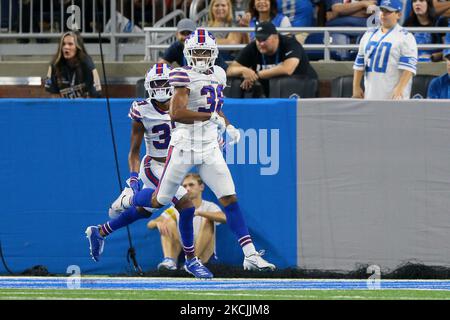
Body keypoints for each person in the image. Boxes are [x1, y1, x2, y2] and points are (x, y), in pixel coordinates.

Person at [89, 28, 276, 277]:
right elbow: (176, 114)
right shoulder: (181, 75)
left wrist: (228, 126)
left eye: (205, 52)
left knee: (229, 198)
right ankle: (129, 200)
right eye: (196, 52)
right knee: (158, 201)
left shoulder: (219, 73)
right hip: (184, 147)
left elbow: (216, 108)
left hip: (209, 147)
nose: (200, 56)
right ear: (187, 53)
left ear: (213, 53)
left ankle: (250, 254)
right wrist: (210, 117)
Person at [85, 62, 216, 279]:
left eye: (164, 82)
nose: (161, 87)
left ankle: (100, 232)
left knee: (145, 211)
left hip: (174, 165)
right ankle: (191, 261)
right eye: (156, 83)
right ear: (148, 86)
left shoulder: (183, 102)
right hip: (154, 165)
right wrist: (134, 179)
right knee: (186, 207)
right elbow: (134, 151)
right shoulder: (142, 108)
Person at [148, 173, 226, 271]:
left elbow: (224, 218)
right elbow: (150, 224)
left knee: (208, 220)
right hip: (182, 253)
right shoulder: (176, 209)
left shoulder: (209, 206)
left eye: (191, 185)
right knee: (167, 221)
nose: (187, 189)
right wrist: (158, 223)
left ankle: (194, 262)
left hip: (205, 257)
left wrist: (198, 213)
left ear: (201, 187)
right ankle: (170, 260)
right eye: (184, 186)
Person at [226, 21, 318, 97]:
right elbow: (230, 70)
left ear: (276, 37)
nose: (261, 44)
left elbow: (288, 69)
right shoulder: (253, 47)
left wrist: (255, 76)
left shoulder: (290, 43)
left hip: (302, 88)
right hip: (273, 93)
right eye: (258, 39)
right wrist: (243, 70)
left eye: (264, 39)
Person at [352, 0, 418, 100]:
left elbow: (408, 68)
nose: (383, 14)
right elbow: (359, 62)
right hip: (371, 94)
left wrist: (400, 88)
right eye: (382, 10)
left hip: (394, 96)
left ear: (398, 14)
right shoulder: (368, 34)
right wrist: (356, 87)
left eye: (388, 11)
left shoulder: (406, 37)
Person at [44, 31, 102, 98]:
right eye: (63, 44)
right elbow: (53, 95)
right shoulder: (55, 65)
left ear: (78, 47)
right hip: (63, 106)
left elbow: (95, 94)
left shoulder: (87, 64)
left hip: (84, 106)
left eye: (70, 44)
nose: (66, 47)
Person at [159, 18, 229, 70]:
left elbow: (225, 69)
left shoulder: (207, 47)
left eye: (189, 33)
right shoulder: (176, 46)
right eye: (183, 33)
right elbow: (161, 64)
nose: (186, 37)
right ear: (177, 34)